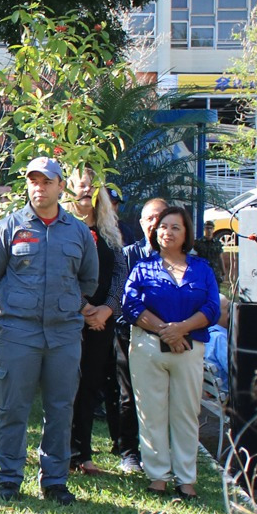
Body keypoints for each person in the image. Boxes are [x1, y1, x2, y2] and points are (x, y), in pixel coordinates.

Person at [0, 157, 98, 505]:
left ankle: (55, 481)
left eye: (46, 181)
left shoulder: (78, 231)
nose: (39, 188)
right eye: (33, 181)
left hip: (63, 334)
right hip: (18, 331)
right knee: (13, 408)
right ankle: (8, 480)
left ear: (61, 186)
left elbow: (88, 280)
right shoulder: (8, 227)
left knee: (61, 408)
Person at [122, 206, 219, 500]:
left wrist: (182, 330)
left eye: (175, 227)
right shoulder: (142, 268)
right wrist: (167, 330)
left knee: (186, 414)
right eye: (163, 227)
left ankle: (186, 480)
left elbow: (212, 308)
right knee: (151, 413)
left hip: (189, 348)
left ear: (187, 233)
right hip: (147, 348)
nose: (167, 232)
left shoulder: (202, 269)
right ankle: (157, 477)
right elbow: (131, 306)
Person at [63, 169, 126, 476]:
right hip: (69, 320)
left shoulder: (109, 230)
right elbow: (61, 275)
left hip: (103, 322)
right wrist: (85, 308)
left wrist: (106, 310)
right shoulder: (63, 229)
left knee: (90, 388)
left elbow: (119, 275)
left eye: (91, 186)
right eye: (80, 185)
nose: (86, 190)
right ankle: (62, 453)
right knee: (65, 387)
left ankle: (83, 455)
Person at [110, 197, 168, 474]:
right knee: (129, 396)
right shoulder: (129, 254)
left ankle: (162, 453)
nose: (155, 224)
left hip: (172, 337)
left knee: (166, 397)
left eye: (161, 218)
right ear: (142, 223)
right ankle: (129, 452)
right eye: (150, 218)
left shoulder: (181, 259)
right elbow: (124, 299)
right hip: (130, 334)